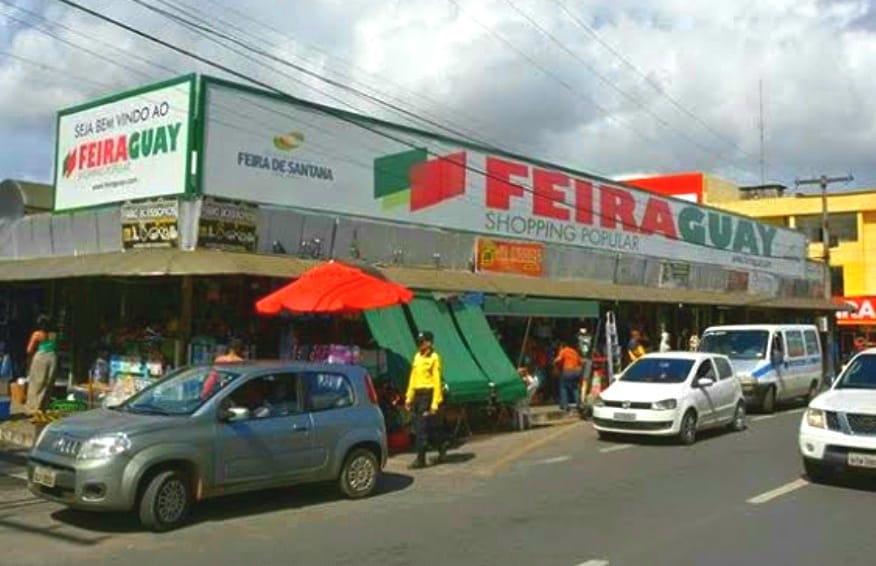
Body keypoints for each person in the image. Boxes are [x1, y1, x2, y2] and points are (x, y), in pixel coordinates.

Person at [405, 331, 446, 469]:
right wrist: (409, 397)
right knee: (424, 427)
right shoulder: (417, 357)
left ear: (429, 343)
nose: (419, 344)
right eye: (418, 341)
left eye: (422, 342)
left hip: (428, 395)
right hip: (417, 395)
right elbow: (413, 378)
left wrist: (435, 403)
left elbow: (437, 382)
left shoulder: (434, 358)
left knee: (421, 428)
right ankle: (442, 445)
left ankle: (420, 459)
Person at [25, 314, 57, 415]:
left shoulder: (37, 334)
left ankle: (33, 407)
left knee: (36, 383)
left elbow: (29, 349)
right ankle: (43, 406)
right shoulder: (54, 335)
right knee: (47, 382)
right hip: (52, 357)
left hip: (40, 357)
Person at [554, 337, 584, 413]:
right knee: (575, 388)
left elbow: (558, 360)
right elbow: (580, 362)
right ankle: (579, 404)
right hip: (577, 371)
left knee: (563, 387)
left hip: (568, 370)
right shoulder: (574, 351)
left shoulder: (564, 350)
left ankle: (564, 405)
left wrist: (554, 363)